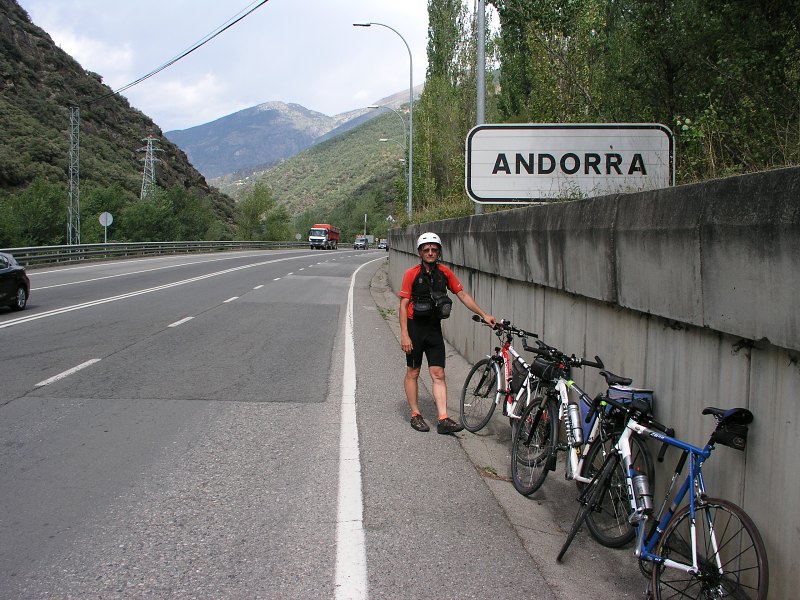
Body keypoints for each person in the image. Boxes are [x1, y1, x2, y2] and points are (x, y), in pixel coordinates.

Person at [399, 232, 496, 434]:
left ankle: (443, 419)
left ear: (439, 251)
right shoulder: (412, 273)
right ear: (420, 252)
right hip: (415, 328)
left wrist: (484, 314)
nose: (430, 252)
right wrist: (405, 335)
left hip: (434, 329)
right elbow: (403, 304)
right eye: (426, 250)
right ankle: (415, 414)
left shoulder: (444, 273)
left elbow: (461, 294)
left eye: (434, 249)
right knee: (413, 372)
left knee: (438, 373)